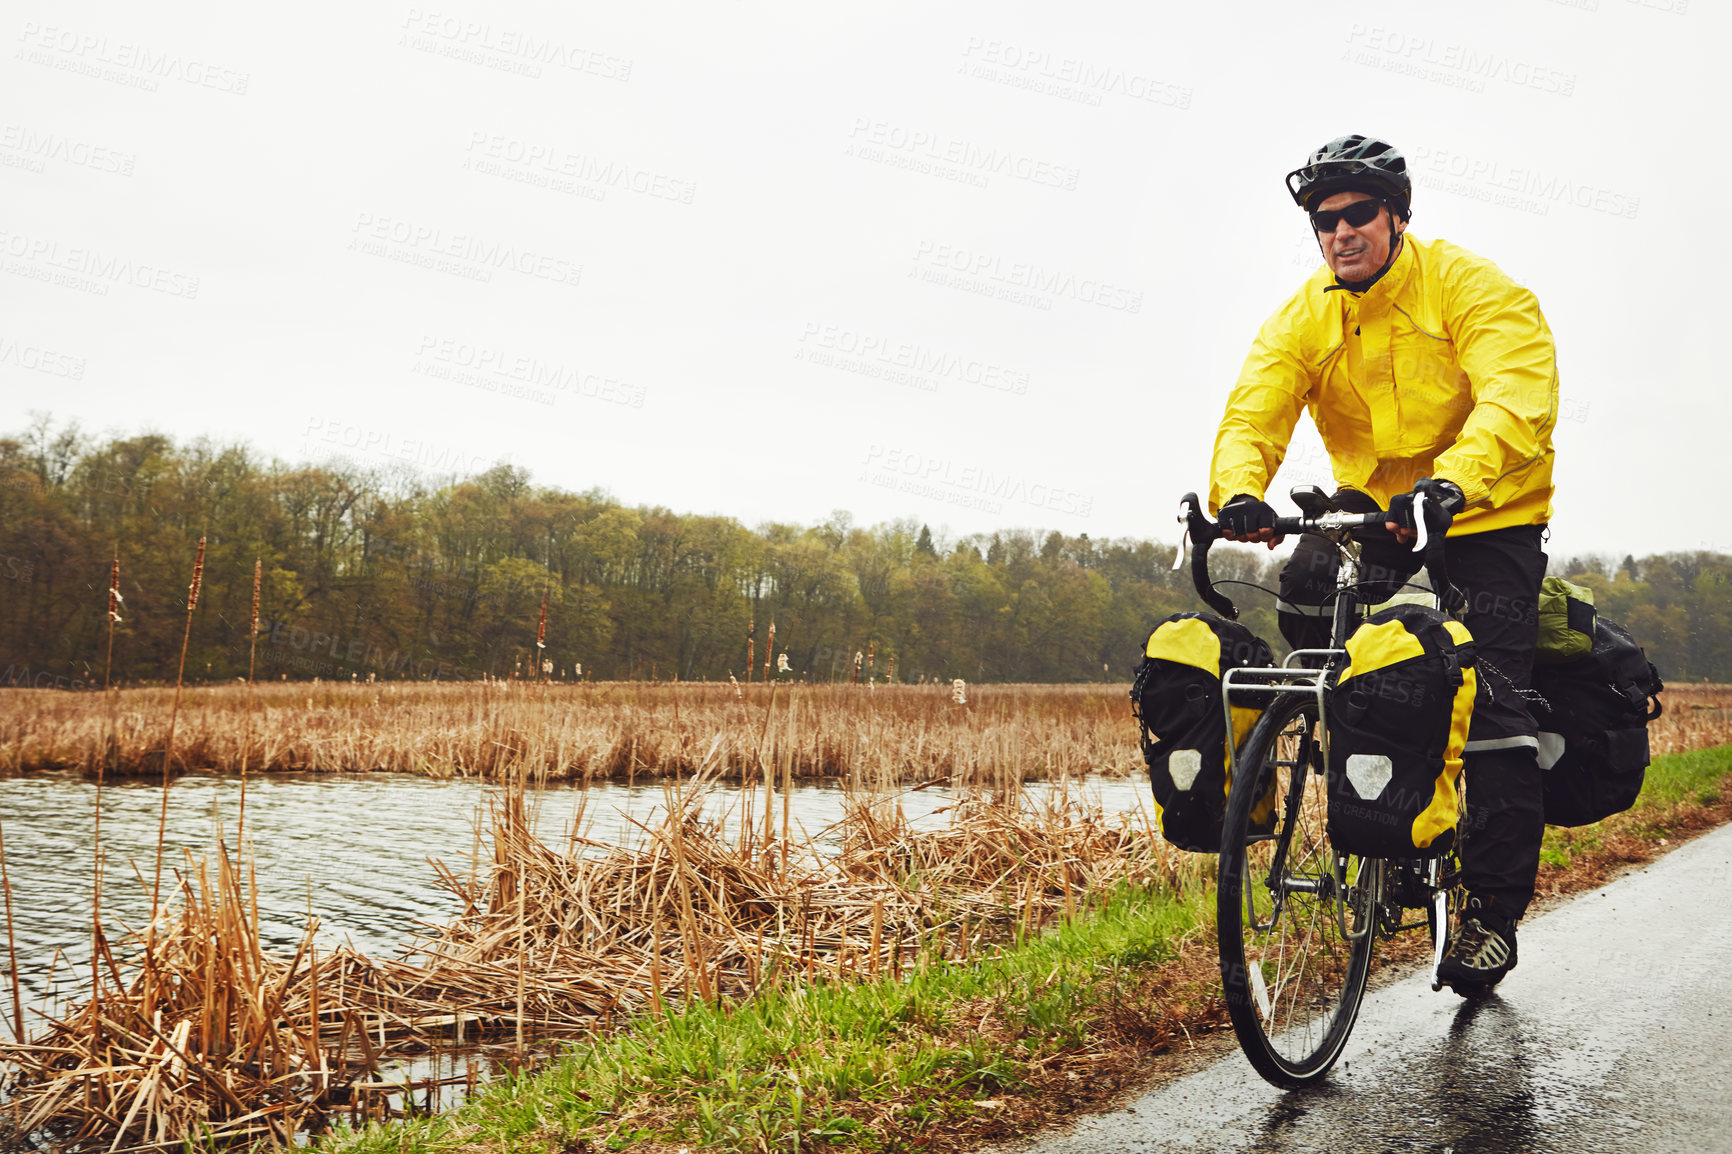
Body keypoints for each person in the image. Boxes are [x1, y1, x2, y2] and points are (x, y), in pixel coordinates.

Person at [1209, 134, 1556, 996]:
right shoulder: (1308, 316)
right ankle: (1385, 808)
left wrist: (1453, 485)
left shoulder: (1472, 288)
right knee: (1309, 622)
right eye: (1324, 222)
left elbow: (1518, 394)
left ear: (1396, 215)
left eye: (1357, 215)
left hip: (1485, 514)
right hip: (1373, 516)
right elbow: (1257, 405)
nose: (1339, 233)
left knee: (1497, 705)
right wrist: (1240, 494)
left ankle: (1490, 917)